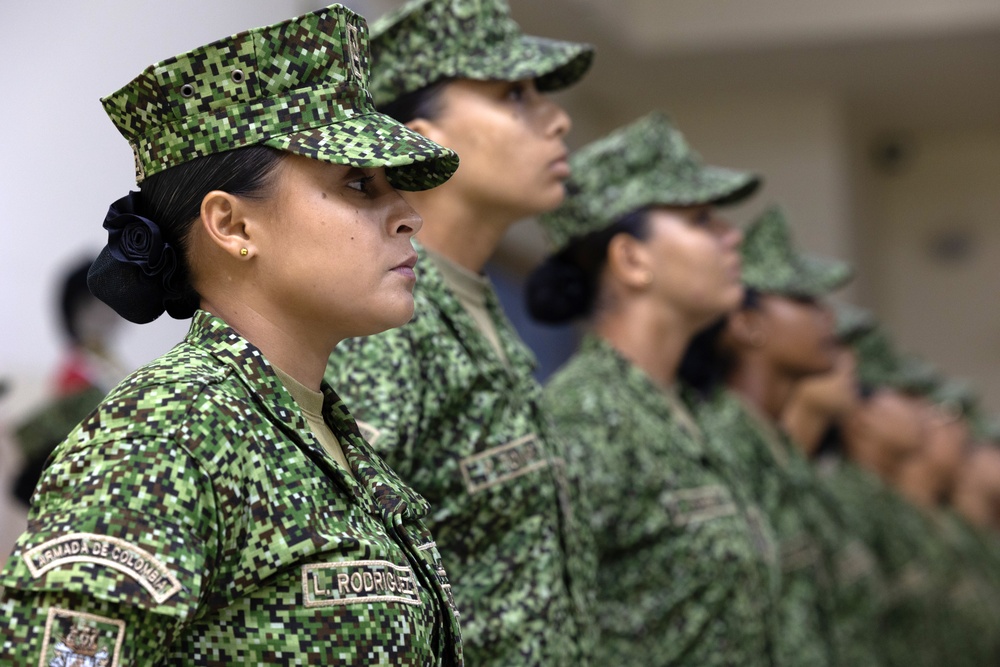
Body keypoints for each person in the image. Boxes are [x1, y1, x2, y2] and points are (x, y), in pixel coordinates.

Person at [0, 6, 464, 665]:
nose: (408, 216)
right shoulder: (170, 432)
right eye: (358, 183)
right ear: (234, 226)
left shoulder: (326, 435)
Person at [324, 1, 594, 664]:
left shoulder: (484, 310)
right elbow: (357, 598)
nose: (557, 118)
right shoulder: (385, 327)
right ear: (422, 141)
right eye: (513, 95)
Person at [527, 112, 778, 666]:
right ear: (632, 259)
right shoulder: (585, 417)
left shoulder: (693, 415)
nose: (731, 236)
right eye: (701, 219)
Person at [682, 206, 881, 667]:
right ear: (746, 324)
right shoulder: (720, 442)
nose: (826, 317)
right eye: (802, 300)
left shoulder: (780, 450)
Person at [12, 256, 126, 506]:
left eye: (111, 305)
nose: (106, 316)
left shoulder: (113, 367)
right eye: (94, 307)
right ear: (75, 313)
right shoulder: (78, 371)